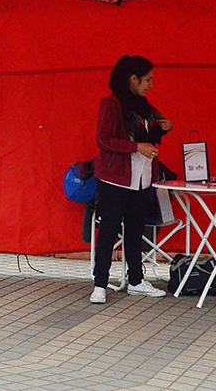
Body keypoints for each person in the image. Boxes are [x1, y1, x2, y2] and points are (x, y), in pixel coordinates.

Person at [90, 54, 172, 303]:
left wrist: (166, 126)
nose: (150, 85)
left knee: (136, 230)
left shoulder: (144, 104)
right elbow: (103, 140)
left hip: (142, 178)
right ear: (132, 79)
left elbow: (153, 129)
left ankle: (136, 280)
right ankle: (100, 284)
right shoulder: (111, 104)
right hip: (115, 179)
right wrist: (136, 148)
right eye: (147, 79)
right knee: (109, 230)